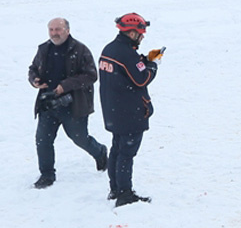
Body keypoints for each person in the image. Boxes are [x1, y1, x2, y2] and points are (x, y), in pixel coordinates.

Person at [28, 17, 107, 189]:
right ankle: (47, 174)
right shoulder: (43, 49)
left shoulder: (80, 50)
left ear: (67, 30)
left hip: (73, 104)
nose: (54, 33)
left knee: (79, 138)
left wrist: (65, 86)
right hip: (47, 103)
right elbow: (32, 68)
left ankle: (100, 152)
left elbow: (91, 75)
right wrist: (34, 80)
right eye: (51, 30)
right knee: (43, 140)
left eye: (58, 29)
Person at [99, 13, 162, 206]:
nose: (143, 37)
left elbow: (128, 70)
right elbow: (141, 78)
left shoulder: (110, 49)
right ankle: (125, 194)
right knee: (126, 153)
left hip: (113, 111)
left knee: (117, 150)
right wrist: (153, 65)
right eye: (141, 33)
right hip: (129, 112)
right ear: (132, 33)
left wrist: (143, 59)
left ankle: (115, 189)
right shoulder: (126, 53)